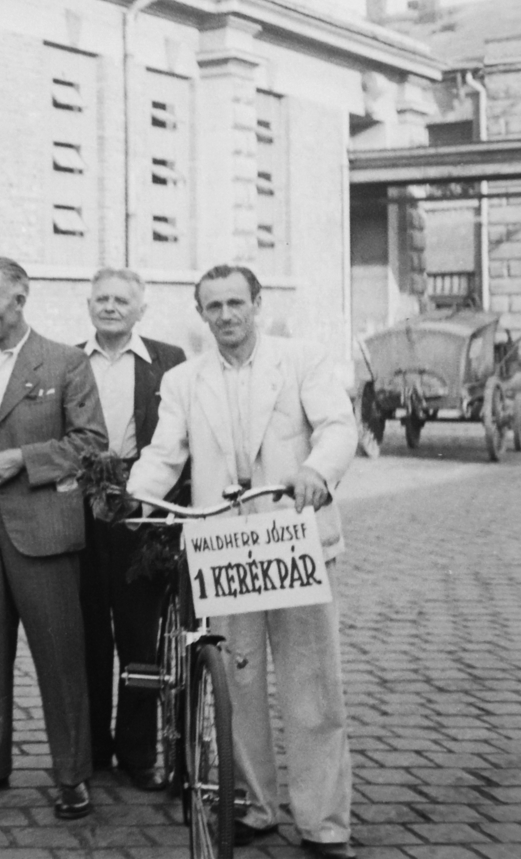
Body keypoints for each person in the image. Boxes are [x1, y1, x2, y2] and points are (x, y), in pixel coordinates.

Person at [128, 265, 357, 859]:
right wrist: (134, 493)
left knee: (312, 686)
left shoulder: (301, 359)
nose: (226, 316)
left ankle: (324, 822)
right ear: (200, 313)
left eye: (236, 303)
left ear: (257, 303)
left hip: (293, 539)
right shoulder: (184, 379)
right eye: (214, 307)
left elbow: (336, 426)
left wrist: (317, 471)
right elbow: (164, 451)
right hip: (224, 547)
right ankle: (257, 805)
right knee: (239, 681)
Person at [0, 257, 106, 819]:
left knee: (60, 658)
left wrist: (23, 459)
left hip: (44, 533)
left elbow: (91, 443)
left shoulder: (65, 361)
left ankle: (72, 775)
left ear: (20, 298)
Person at [77, 268, 187, 792]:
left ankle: (138, 752)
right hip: (81, 508)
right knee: (88, 631)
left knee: (141, 634)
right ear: (89, 305)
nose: (111, 307)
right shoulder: (68, 359)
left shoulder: (169, 362)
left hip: (146, 508)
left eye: (122, 300)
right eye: (102, 298)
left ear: (141, 309)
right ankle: (94, 746)